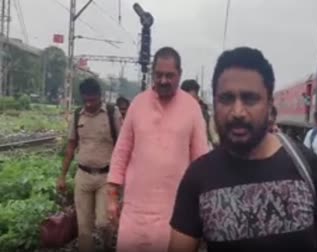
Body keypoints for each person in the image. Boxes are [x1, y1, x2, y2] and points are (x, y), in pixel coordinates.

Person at [168, 47, 317, 252]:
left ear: (270, 104)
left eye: (250, 99)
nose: (237, 112)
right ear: (214, 103)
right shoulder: (197, 178)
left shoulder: (306, 165)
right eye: (226, 99)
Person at [106, 46, 209, 252]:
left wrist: (202, 208)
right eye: (159, 75)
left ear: (179, 74)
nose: (163, 80)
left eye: (169, 75)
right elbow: (121, 151)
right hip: (134, 213)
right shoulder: (138, 104)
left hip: (174, 215)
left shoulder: (192, 108)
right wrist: (112, 196)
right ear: (153, 73)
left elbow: (201, 162)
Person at [57, 78, 122, 252]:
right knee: (83, 227)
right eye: (86, 100)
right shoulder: (78, 115)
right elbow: (71, 146)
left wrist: (123, 175)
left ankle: (109, 244)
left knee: (103, 222)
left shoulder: (111, 113)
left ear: (100, 96)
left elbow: (122, 146)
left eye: (92, 100)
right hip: (83, 176)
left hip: (106, 177)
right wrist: (62, 176)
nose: (89, 104)